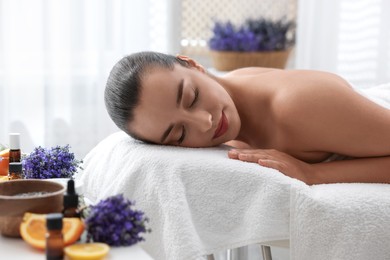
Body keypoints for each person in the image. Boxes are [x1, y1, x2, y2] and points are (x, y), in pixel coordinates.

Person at [104, 51, 390, 185]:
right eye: (179, 134)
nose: (205, 123)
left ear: (193, 64)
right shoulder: (233, 98)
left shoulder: (295, 106)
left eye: (192, 97)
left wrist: (312, 174)